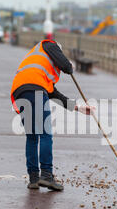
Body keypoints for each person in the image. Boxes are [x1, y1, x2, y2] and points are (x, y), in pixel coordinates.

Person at [11, 39, 94, 191]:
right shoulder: (49, 45)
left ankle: (34, 178)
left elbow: (53, 93)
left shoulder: (39, 66)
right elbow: (65, 65)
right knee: (45, 134)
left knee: (32, 136)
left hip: (20, 91)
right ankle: (47, 175)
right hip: (35, 89)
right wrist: (69, 67)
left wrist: (78, 107)